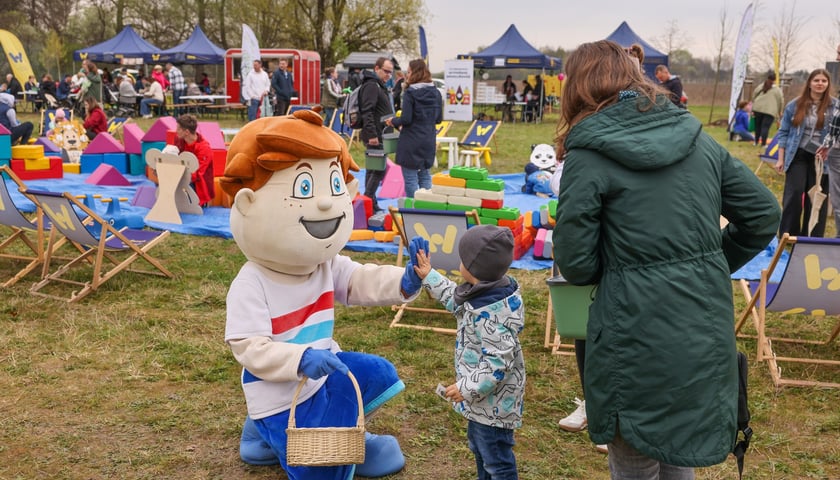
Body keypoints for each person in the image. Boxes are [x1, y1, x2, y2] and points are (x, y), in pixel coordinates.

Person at [552, 40, 780, 479]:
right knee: (679, 442)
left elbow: (576, 262)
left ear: (578, 87)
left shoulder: (590, 153)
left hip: (633, 328)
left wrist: (697, 263)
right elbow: (763, 214)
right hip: (699, 319)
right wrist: (704, 265)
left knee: (638, 454)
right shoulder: (696, 138)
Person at [411, 225, 525, 480]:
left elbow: (498, 364)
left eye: (463, 258)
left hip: (494, 407)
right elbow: (454, 297)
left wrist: (467, 388)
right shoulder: (482, 293)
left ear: (473, 268)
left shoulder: (492, 316)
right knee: (481, 451)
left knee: (497, 461)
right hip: (481, 403)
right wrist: (430, 276)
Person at [775, 68, 838, 238]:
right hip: (798, 155)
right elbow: (783, 133)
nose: (820, 84)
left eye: (823, 81)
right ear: (809, 82)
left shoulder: (835, 106)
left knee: (817, 198)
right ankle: (788, 234)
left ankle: (812, 236)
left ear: (828, 84)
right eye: (816, 80)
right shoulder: (794, 105)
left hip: (822, 159)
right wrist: (780, 159)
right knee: (794, 194)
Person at [384, 59, 442, 198]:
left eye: (408, 72)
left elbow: (406, 119)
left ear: (415, 73)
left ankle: (413, 209)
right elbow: (438, 119)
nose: (406, 75)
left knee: (410, 178)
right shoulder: (436, 93)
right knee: (425, 176)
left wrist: (393, 121)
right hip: (428, 138)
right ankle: (427, 207)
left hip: (411, 140)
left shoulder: (410, 93)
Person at [359, 56, 395, 212]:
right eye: (386, 71)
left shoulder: (378, 85)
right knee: (378, 170)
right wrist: (372, 134)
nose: (388, 75)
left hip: (380, 133)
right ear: (376, 69)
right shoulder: (372, 86)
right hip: (375, 135)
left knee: (372, 169)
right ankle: (366, 200)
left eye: (391, 72)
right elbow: (367, 111)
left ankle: (370, 203)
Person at [173, 114, 214, 207]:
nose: (176, 131)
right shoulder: (179, 140)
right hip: (182, 179)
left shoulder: (204, 148)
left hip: (198, 188)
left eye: (179, 129)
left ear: (186, 132)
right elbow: (173, 157)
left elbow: (198, 173)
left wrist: (178, 177)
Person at [752, 72, 784, 146]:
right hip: (770, 111)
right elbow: (781, 101)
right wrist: (780, 111)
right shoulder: (777, 90)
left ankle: (756, 142)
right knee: (765, 127)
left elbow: (754, 95)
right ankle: (763, 144)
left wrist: (754, 104)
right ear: (775, 80)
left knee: (758, 126)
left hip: (758, 108)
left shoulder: (761, 86)